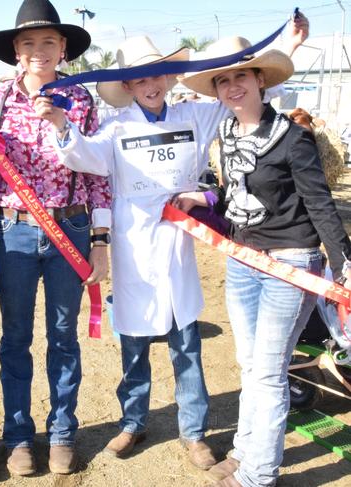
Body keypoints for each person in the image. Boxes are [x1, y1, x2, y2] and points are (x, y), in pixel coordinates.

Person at [47, 16, 309, 472]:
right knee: (133, 342)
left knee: (186, 340)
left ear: (169, 78)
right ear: (127, 86)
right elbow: (83, 155)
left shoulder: (194, 115)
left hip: (179, 243)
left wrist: (288, 47)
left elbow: (247, 95)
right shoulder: (116, 127)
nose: (149, 85)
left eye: (156, 75)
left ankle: (194, 431)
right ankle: (133, 421)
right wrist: (60, 125)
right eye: (138, 78)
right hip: (132, 245)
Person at [177, 31, 351, 487]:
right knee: (251, 365)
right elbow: (235, 193)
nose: (232, 87)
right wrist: (203, 195)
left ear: (260, 80)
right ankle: (243, 451)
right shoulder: (227, 133)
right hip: (243, 262)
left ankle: (258, 473)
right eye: (223, 80)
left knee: (269, 371)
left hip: (291, 265)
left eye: (241, 76)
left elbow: (320, 204)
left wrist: (344, 262)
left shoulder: (293, 139)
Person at [0, 0, 111, 476]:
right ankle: (21, 436)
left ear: (63, 47)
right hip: (14, 231)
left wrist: (101, 239)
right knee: (16, 338)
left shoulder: (82, 99)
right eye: (28, 43)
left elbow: (97, 174)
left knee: (64, 337)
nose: (38, 51)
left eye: (48, 41)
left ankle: (64, 430)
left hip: (70, 227)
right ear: (15, 51)